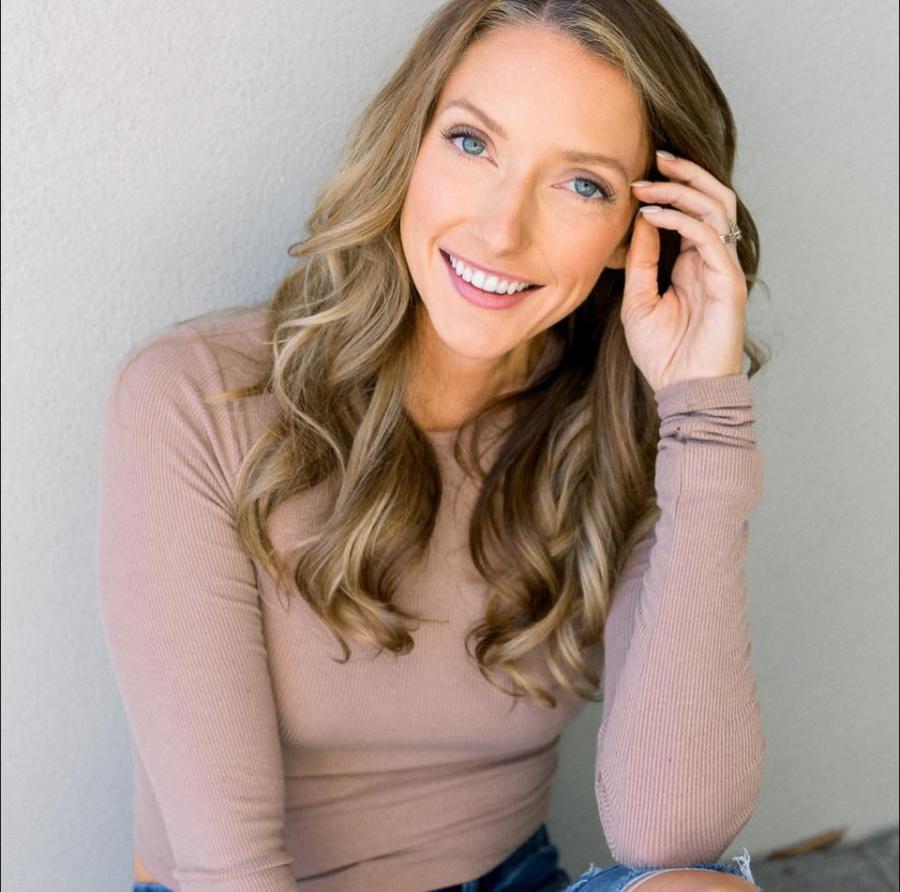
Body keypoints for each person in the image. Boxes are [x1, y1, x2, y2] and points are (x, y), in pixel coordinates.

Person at [96, 1, 771, 890]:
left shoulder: (631, 430)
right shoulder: (195, 398)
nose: (500, 229)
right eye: (471, 143)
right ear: (408, 146)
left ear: (639, 234)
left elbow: (672, 835)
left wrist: (703, 419)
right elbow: (228, 869)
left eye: (583, 185)